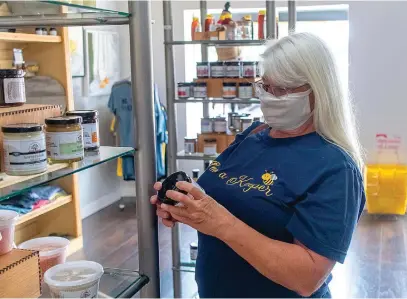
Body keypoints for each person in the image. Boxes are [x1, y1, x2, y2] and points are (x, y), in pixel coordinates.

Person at [150, 32, 365, 298]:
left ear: (318, 90)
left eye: (282, 90)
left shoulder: (336, 169)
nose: (269, 97)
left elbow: (307, 277)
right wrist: (189, 203)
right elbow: (227, 196)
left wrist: (218, 221)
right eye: (265, 86)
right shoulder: (254, 133)